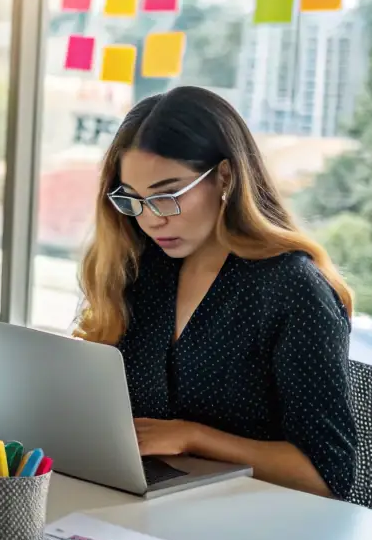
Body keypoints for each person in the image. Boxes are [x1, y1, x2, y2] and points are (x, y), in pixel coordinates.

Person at [77, 85, 356, 499]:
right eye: (132, 200)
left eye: (167, 196)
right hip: (142, 510)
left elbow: (327, 475)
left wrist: (193, 437)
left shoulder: (291, 288)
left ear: (224, 176)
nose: (151, 221)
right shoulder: (139, 268)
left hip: (255, 526)